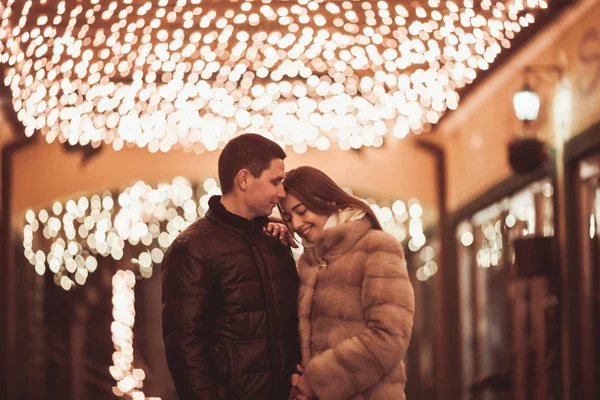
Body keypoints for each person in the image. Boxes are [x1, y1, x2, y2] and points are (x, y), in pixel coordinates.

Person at [161, 133, 300, 400]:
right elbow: (185, 349)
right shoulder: (193, 248)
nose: (281, 193)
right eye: (275, 182)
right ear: (244, 179)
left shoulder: (276, 242)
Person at [278, 166, 415, 400]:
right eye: (288, 217)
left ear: (325, 200)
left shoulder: (377, 246)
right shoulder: (309, 262)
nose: (296, 224)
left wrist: (318, 379)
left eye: (301, 211)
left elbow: (390, 336)